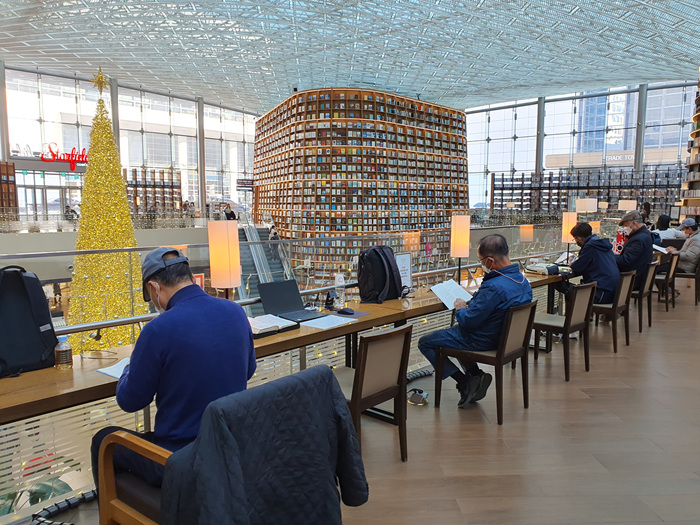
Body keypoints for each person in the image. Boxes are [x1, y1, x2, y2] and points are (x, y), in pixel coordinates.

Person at [90, 247, 256, 489]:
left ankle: (120, 508)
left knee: (103, 440)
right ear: (189, 277)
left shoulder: (158, 329)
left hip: (177, 461)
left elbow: (130, 400)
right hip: (227, 449)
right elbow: (248, 370)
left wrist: (130, 367)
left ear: (154, 287)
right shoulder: (235, 311)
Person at [418, 234, 532, 408]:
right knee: (454, 334)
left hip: (483, 340)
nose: (481, 265)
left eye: (481, 261)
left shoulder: (493, 287)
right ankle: (475, 375)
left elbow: (469, 322)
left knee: (426, 342)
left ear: (490, 261)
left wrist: (460, 308)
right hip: (507, 340)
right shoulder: (522, 280)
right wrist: (479, 298)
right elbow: (496, 304)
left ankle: (464, 382)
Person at [559, 222, 619, 304]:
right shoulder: (602, 245)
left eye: (575, 239)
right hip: (613, 292)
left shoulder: (590, 247)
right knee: (570, 288)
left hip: (600, 294)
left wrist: (572, 265)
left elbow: (576, 268)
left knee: (561, 286)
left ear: (579, 238)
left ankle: (575, 313)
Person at [615, 210, 653, 291]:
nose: (625, 228)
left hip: (633, 280)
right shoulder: (645, 234)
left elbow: (626, 260)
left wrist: (610, 256)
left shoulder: (638, 239)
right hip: (640, 277)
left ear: (634, 223)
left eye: (626, 226)